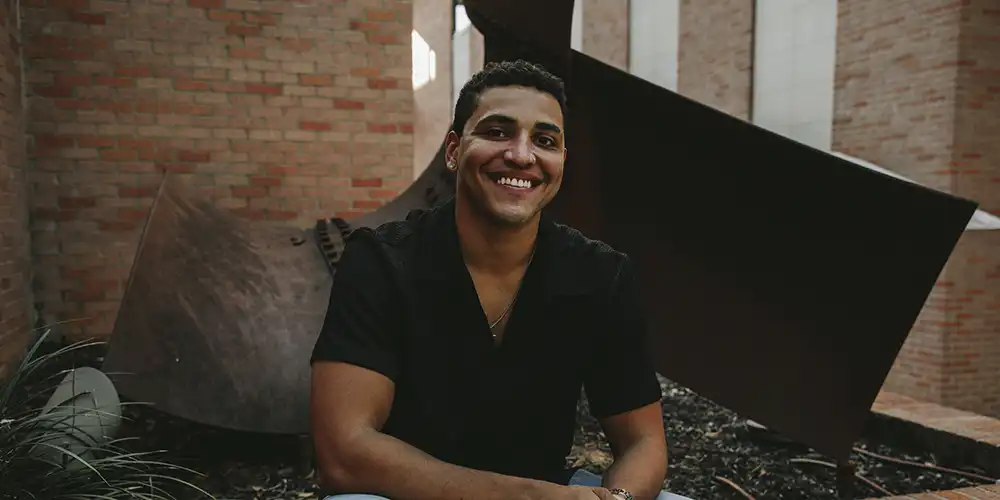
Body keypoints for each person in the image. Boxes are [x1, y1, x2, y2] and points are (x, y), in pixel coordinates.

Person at [309, 59, 685, 500]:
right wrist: (530, 497)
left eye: (545, 140)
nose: (522, 155)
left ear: (562, 162)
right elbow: (343, 455)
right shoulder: (382, 261)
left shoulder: (600, 274)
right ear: (453, 150)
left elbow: (643, 442)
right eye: (497, 132)